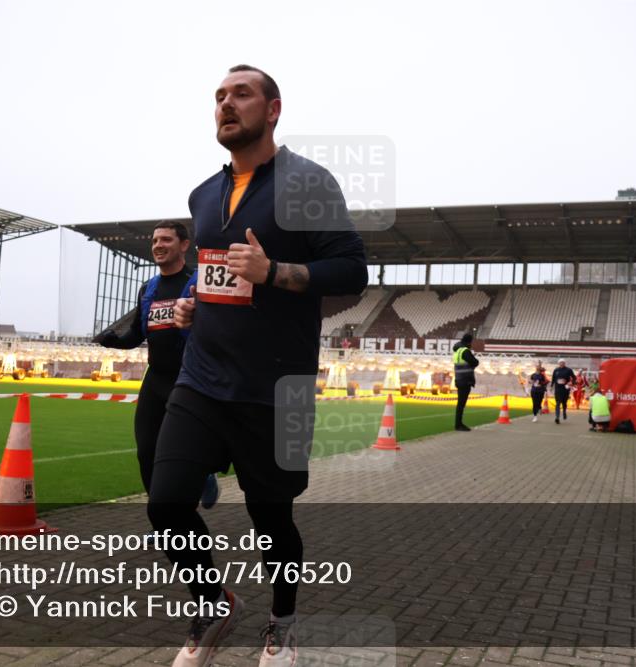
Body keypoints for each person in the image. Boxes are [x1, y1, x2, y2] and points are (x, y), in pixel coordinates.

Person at [148, 64, 368, 667]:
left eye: (241, 94)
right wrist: (197, 303)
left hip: (277, 387)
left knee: (272, 519)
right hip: (202, 377)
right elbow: (222, 271)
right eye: (219, 96)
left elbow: (352, 270)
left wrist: (274, 272)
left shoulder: (309, 182)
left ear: (272, 109)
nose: (226, 104)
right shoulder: (202, 194)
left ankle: (282, 621)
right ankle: (213, 602)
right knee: (165, 503)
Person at [94, 221, 220, 507]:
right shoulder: (148, 288)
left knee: (182, 451)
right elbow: (137, 335)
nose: (158, 246)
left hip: (190, 379)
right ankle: (163, 519)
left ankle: (204, 477)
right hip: (156, 378)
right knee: (146, 452)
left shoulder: (200, 282)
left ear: (184, 245)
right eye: (154, 241)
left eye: (166, 239)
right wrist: (113, 340)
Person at [452, 333, 479, 431]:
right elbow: (475, 362)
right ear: (469, 341)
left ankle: (458, 423)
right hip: (466, 380)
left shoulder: (457, 351)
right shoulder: (465, 351)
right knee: (461, 404)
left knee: (460, 404)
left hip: (459, 379)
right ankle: (458, 425)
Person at [550, 358, 577, 424]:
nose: (561, 363)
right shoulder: (556, 370)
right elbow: (553, 379)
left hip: (565, 389)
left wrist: (571, 383)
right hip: (558, 389)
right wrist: (551, 386)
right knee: (558, 403)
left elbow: (574, 377)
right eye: (560, 362)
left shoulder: (568, 370)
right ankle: (557, 417)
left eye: (563, 362)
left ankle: (564, 411)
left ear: (564, 363)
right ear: (558, 363)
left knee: (564, 402)